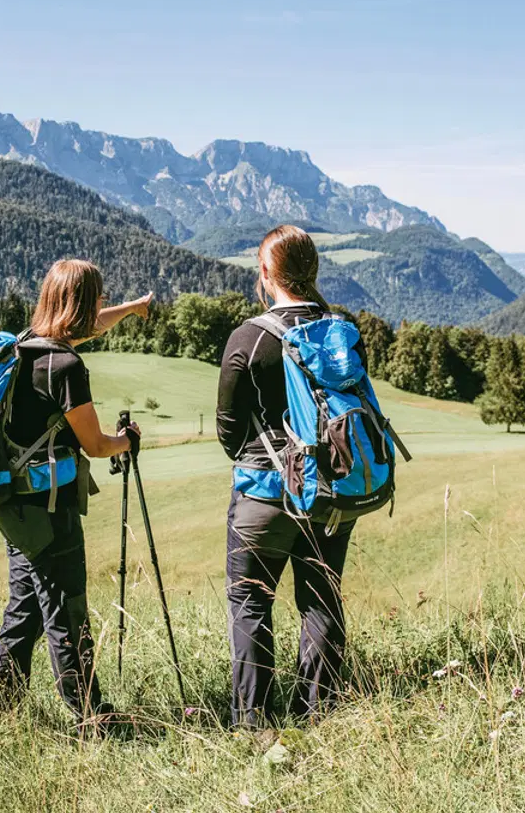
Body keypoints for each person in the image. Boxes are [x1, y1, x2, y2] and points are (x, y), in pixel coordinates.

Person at [0, 258, 150, 728]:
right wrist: (129, 440)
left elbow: (91, 326)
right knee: (67, 612)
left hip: (16, 507)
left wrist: (132, 309)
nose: (103, 304)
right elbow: (96, 444)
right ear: (79, 304)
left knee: (24, 612)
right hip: (51, 511)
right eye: (98, 296)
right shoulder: (67, 366)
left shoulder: (27, 345)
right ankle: (91, 717)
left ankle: (3, 714)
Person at [214, 225, 365, 729]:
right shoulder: (342, 332)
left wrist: (265, 458)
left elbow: (228, 429)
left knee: (251, 601)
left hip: (265, 492)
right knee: (321, 597)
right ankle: (317, 716)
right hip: (329, 490)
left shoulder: (247, 337)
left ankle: (252, 723)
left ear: (265, 273)